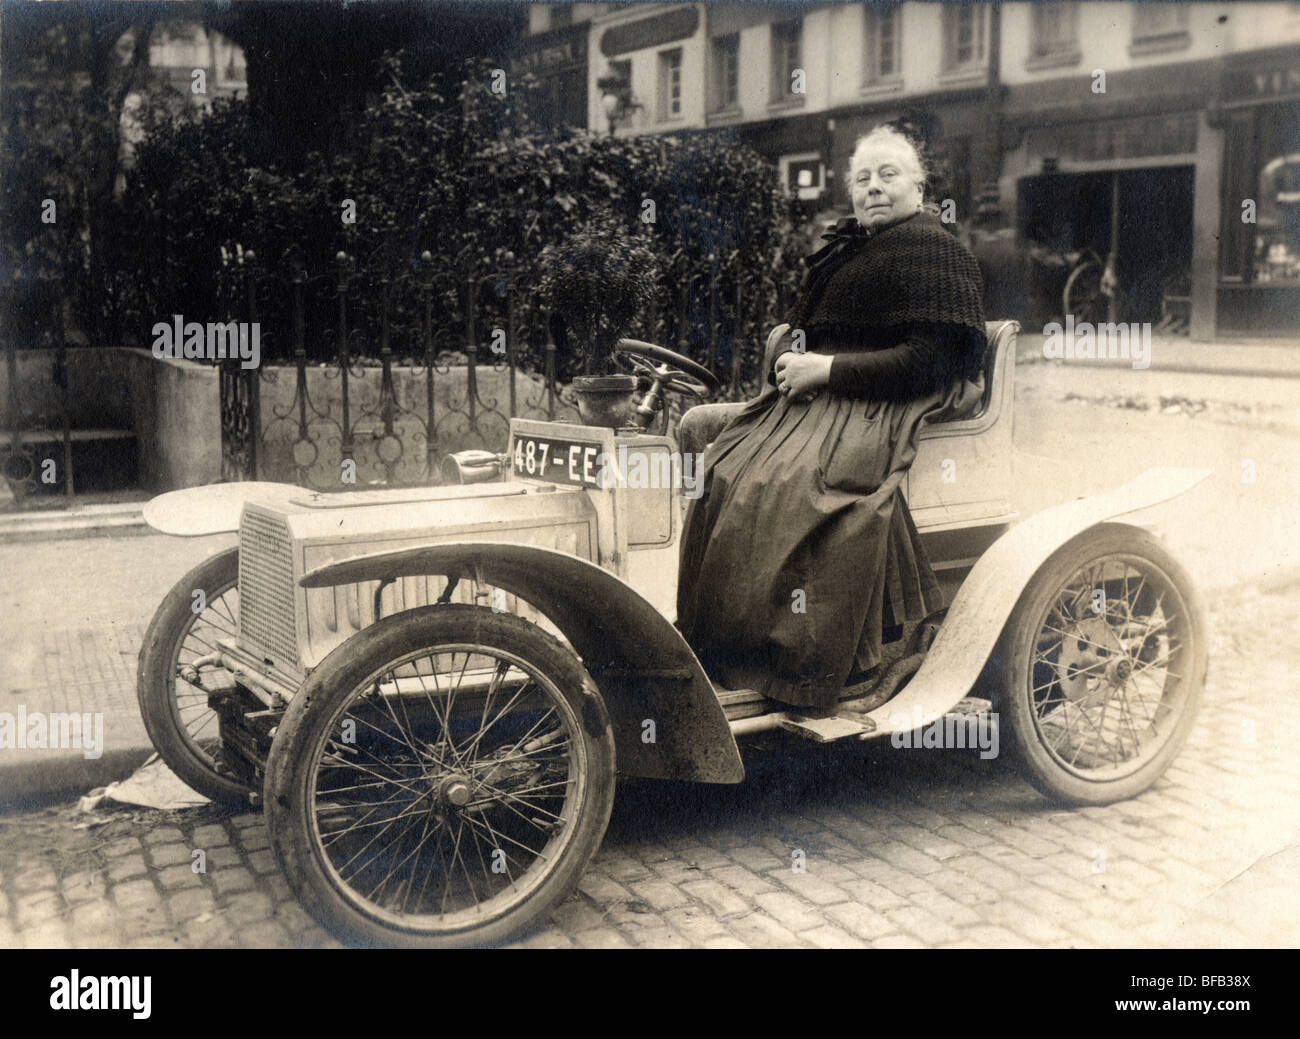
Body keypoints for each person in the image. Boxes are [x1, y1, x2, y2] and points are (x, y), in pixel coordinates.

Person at [675, 125, 987, 713]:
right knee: (716, 453)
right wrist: (797, 354)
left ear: (919, 187)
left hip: (890, 397)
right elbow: (812, 330)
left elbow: (934, 359)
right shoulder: (850, 249)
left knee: (793, 483)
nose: (873, 187)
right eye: (862, 178)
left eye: (888, 174)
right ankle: (726, 642)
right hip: (832, 393)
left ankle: (829, 659)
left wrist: (826, 371)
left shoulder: (933, 248)